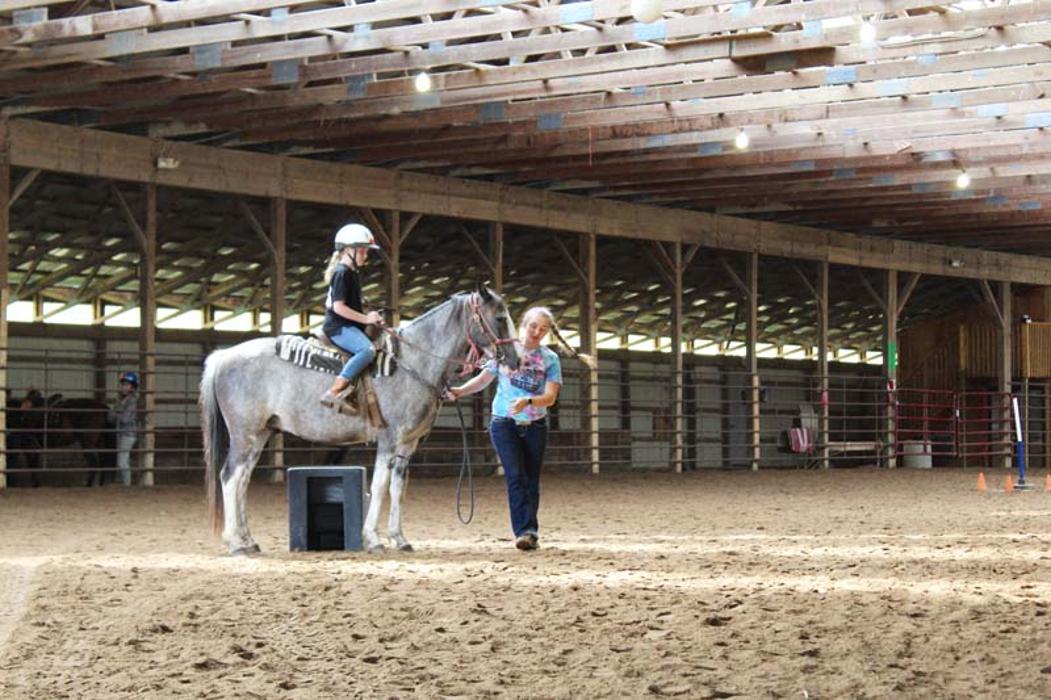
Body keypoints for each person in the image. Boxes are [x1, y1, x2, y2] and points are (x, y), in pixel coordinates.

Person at [447, 306, 580, 551]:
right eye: (533, 326)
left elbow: (550, 397)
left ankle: (531, 531)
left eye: (543, 329)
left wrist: (528, 401)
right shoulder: (503, 351)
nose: (537, 332)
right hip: (503, 422)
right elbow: (484, 379)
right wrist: (460, 391)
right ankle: (524, 531)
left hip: (535, 424)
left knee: (531, 479)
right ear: (523, 324)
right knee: (515, 475)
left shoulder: (550, 359)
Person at [320, 222, 385, 407]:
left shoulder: (351, 273)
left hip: (349, 326)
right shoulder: (342, 273)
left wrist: (369, 313)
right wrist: (366, 319)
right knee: (367, 350)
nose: (366, 255)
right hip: (339, 327)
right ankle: (334, 391)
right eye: (363, 250)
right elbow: (338, 307)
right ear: (349, 250)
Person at [107, 371, 139, 486]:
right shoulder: (121, 401)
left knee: (122, 461)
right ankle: (124, 483)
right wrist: (116, 414)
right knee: (123, 459)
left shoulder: (132, 401)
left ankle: (127, 484)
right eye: (123, 384)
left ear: (132, 387)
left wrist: (116, 413)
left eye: (127, 384)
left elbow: (125, 419)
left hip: (128, 433)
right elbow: (110, 417)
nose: (123, 387)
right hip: (121, 432)